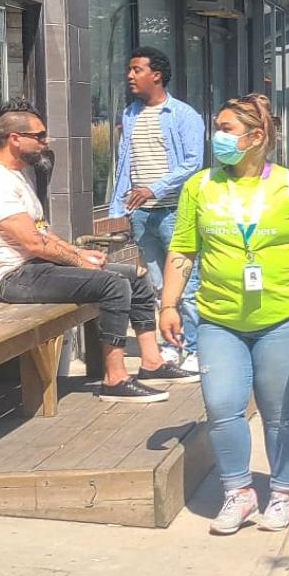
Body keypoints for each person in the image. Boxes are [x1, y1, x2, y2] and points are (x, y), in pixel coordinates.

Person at [161, 94, 289, 535]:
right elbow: (182, 249)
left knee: (278, 412)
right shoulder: (200, 187)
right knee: (221, 406)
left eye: (226, 128)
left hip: (282, 319)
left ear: (256, 137)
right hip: (219, 319)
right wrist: (168, 303)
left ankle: (281, 492)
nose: (217, 137)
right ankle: (237, 491)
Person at [0, 103, 194, 402]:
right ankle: (115, 379)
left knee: (136, 277)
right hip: (16, 277)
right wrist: (78, 261)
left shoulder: (17, 175)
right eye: (40, 136)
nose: (45, 143)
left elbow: (41, 232)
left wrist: (78, 252)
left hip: (37, 268)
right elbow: (32, 243)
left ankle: (152, 363)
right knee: (113, 284)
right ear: (15, 138)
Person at [108, 46, 206, 373]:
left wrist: (155, 188)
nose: (130, 76)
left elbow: (193, 163)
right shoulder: (130, 114)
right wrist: (121, 205)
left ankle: (192, 347)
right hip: (141, 214)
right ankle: (169, 345)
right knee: (156, 284)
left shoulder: (183, 115)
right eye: (130, 70)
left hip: (174, 210)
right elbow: (125, 162)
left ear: (157, 75)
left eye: (137, 70)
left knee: (186, 285)